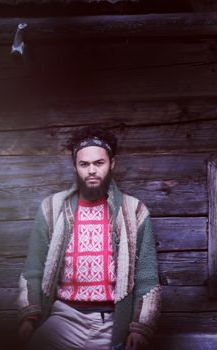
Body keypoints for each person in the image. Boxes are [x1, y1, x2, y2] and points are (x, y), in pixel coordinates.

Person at [17, 126, 161, 350]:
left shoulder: (134, 211)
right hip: (64, 317)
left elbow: (147, 276)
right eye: (84, 164)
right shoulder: (52, 209)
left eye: (99, 163)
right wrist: (29, 317)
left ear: (112, 163)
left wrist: (139, 327)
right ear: (75, 167)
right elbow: (33, 270)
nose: (92, 170)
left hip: (113, 321)